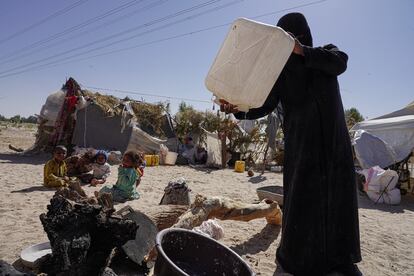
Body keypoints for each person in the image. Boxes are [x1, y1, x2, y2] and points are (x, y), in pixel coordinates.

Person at [222, 12, 361, 276]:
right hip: (302, 148)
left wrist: (301, 50)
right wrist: (237, 109)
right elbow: (263, 105)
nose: (289, 41)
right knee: (302, 202)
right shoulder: (280, 72)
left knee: (336, 202)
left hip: (333, 146)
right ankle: (297, 260)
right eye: (284, 37)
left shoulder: (325, 53)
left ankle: (340, 259)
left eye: (293, 36)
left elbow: (340, 63)